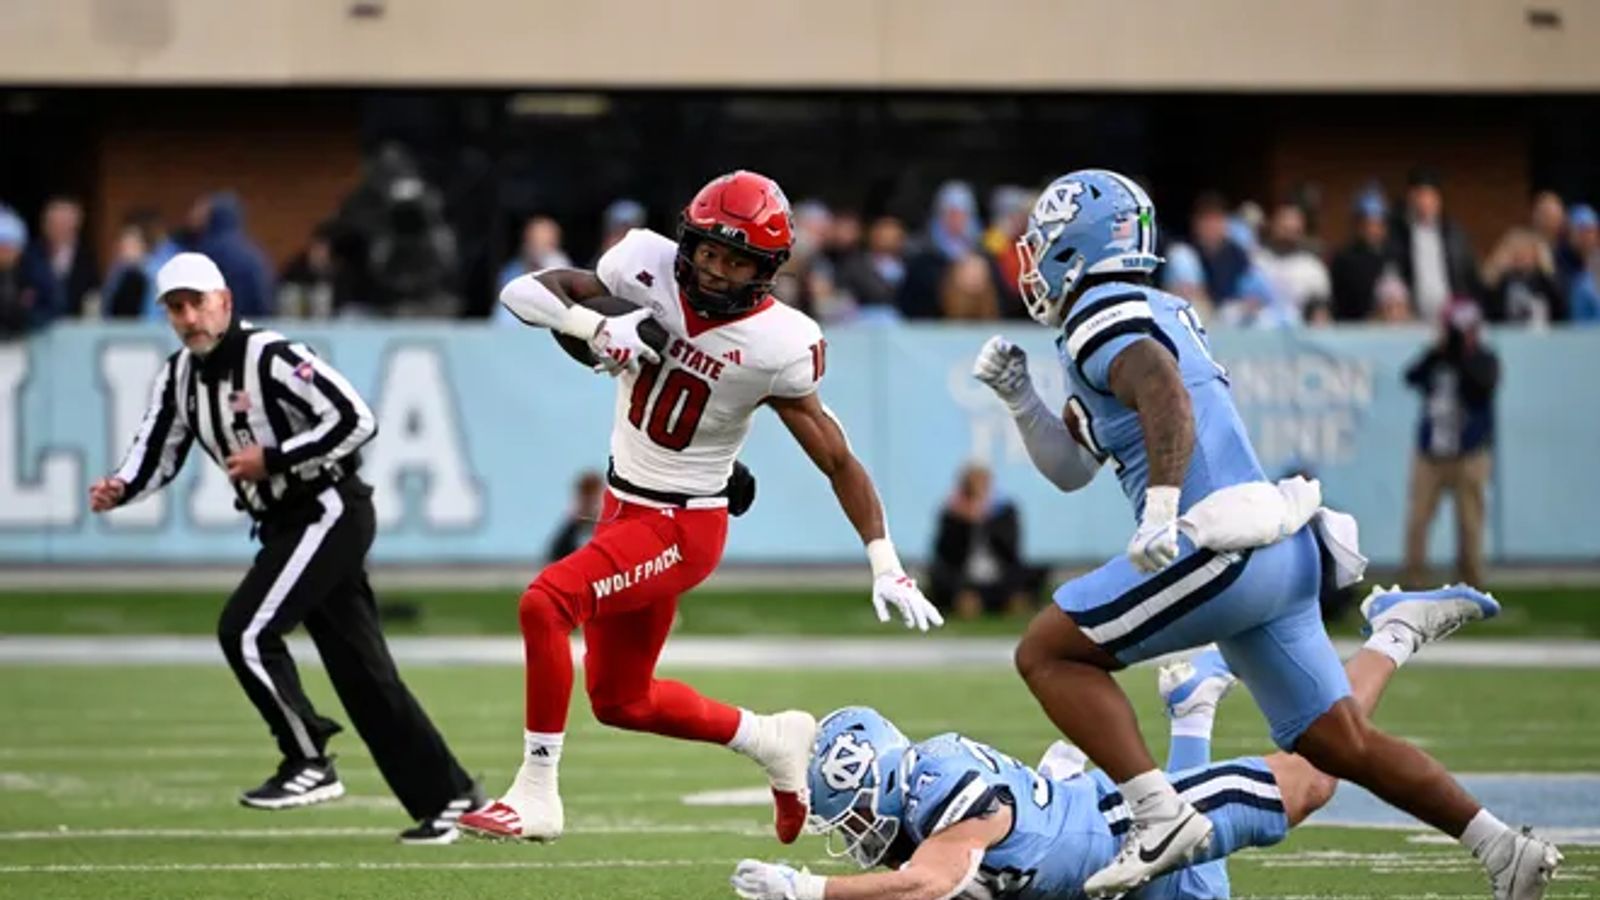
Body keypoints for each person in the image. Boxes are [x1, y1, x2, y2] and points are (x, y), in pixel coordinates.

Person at [972, 168, 1557, 898]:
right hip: (1277, 550)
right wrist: (1021, 397)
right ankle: (1503, 846)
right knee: (1339, 746)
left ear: (1079, 247)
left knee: (1048, 653)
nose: (1033, 262)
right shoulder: (1141, 310)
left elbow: (1163, 390)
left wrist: (1160, 508)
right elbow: (1071, 468)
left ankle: (1159, 815)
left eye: (1044, 244)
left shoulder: (1102, 314)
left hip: (1218, 542)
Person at [467, 170, 943, 845]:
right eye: (709, 251)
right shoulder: (643, 266)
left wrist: (885, 559)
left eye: (737, 258)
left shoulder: (779, 345)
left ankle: (536, 793)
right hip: (622, 505)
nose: (716, 270)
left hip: (681, 524)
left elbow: (837, 458)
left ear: (767, 268)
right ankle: (773, 740)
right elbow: (523, 292)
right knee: (622, 700)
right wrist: (595, 327)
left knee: (545, 603)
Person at [731, 586, 1550, 900]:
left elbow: (928, 883)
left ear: (883, 782)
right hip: (1108, 864)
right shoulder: (927, 785)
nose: (854, 831)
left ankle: (1393, 633)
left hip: (1136, 839)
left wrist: (810, 892)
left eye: (854, 811)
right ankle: (1192, 710)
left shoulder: (940, 797)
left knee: (1322, 768)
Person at [87, 252, 482, 844]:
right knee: (366, 676)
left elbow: (356, 419)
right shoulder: (180, 375)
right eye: (176, 307)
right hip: (284, 522)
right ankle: (450, 797)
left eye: (198, 303)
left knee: (245, 631)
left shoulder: (270, 356)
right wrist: (123, 485)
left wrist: (274, 457)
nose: (189, 316)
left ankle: (308, 761)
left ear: (224, 301)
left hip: (328, 509)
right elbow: (158, 444)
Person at [1402, 302, 1500, 589]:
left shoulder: (1484, 358)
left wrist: (1461, 357)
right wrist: (1438, 353)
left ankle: (1470, 580)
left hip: (1469, 453)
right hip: (1431, 453)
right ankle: (1414, 579)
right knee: (1418, 519)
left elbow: (1483, 385)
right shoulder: (1436, 358)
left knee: (1470, 522)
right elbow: (1411, 377)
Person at [928, 463, 1040, 619]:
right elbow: (946, 554)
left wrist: (986, 521)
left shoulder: (1005, 510)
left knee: (1030, 574)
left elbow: (1011, 550)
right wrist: (965, 523)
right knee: (940, 577)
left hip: (999, 576)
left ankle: (1013, 600)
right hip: (965, 578)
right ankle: (965, 602)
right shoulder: (950, 514)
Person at [546, 469, 605, 561]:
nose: (589, 502)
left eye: (593, 496)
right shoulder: (567, 536)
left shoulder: (610, 531)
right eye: (586, 496)